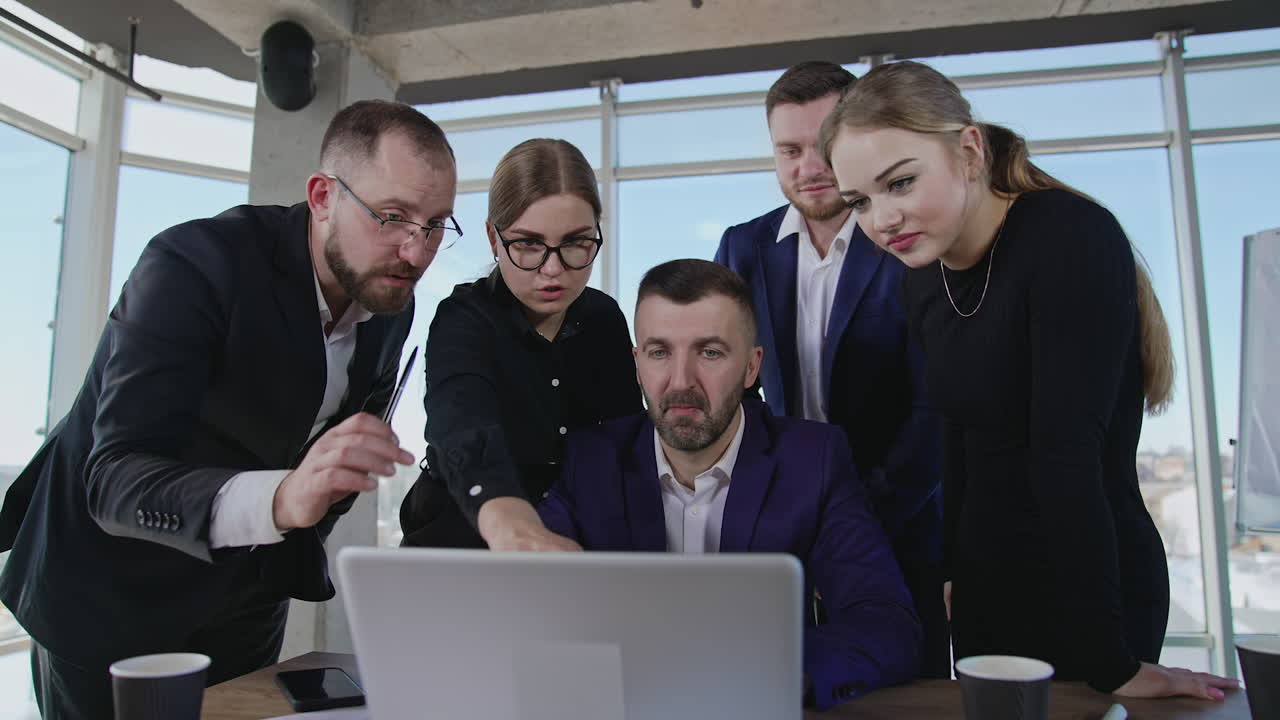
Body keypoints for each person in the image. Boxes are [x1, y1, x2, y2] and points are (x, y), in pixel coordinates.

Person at [0, 100, 456, 719]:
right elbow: (112, 479)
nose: (415, 252)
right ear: (323, 196)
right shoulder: (193, 265)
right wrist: (282, 497)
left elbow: (328, 456)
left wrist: (321, 490)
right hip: (109, 593)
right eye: (394, 217)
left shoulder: (388, 300)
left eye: (435, 225)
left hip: (244, 602)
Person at [820, 60, 1240, 700]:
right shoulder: (921, 279)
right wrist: (958, 571)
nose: (882, 219)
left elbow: (1066, 454)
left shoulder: (1066, 235)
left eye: (900, 183)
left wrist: (1113, 661)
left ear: (967, 151)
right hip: (989, 593)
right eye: (860, 201)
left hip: (1092, 589)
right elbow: (956, 437)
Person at [538, 259, 922, 710]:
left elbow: (887, 623)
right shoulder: (592, 461)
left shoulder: (812, 460)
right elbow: (529, 605)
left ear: (751, 367)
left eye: (711, 352)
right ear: (637, 364)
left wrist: (771, 672)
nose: (681, 382)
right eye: (660, 352)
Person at [715, 61, 947, 677]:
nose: (807, 166)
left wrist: (853, 521)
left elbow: (934, 409)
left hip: (899, 520)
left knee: (905, 695)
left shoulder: (904, 238)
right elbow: (731, 388)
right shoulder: (743, 246)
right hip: (785, 528)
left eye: (822, 146)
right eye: (788, 149)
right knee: (789, 688)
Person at [399, 138, 642, 549]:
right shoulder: (465, 318)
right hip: (460, 541)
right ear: (493, 239)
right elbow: (463, 430)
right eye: (528, 244)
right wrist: (508, 523)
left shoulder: (605, 319)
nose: (553, 270)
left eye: (575, 242)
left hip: (576, 546)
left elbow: (624, 445)